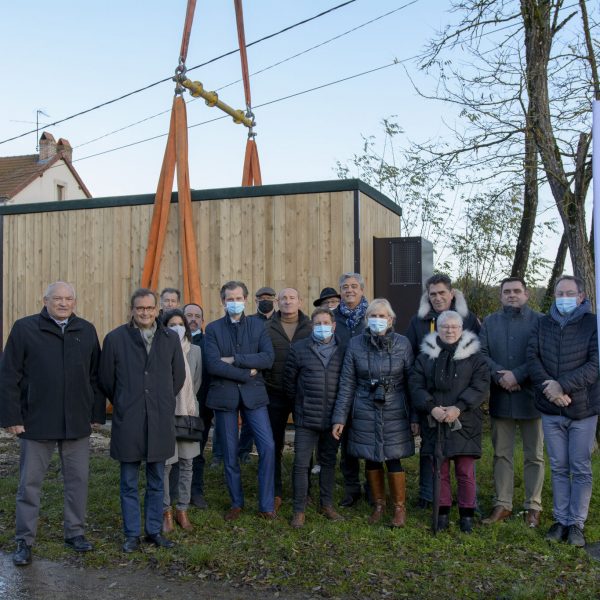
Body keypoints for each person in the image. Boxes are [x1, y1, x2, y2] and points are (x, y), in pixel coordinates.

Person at [0, 281, 105, 566]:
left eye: (68, 298)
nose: (63, 303)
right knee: (29, 484)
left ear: (74, 301)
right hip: (36, 421)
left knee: (78, 481)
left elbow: (95, 376)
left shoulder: (86, 330)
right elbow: (9, 375)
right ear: (44, 300)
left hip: (76, 423)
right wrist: (12, 418)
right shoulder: (25, 329)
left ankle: (75, 533)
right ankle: (24, 540)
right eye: (57, 298)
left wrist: (96, 413)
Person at [99, 288, 185, 553]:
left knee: (157, 479)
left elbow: (177, 377)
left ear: (157, 310)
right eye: (140, 308)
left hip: (159, 419)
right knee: (128, 481)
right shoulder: (115, 339)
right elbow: (106, 379)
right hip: (130, 419)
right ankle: (132, 533)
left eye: (150, 308)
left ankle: (153, 531)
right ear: (132, 310)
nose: (145, 313)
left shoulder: (169, 338)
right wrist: (125, 400)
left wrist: (160, 400)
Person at [528, 275, 600, 547]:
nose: (564, 298)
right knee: (558, 466)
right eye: (560, 293)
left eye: (570, 293)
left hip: (583, 408)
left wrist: (563, 386)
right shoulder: (542, 324)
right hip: (550, 408)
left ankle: (576, 524)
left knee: (580, 467)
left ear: (581, 296)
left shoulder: (593, 324)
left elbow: (595, 365)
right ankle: (560, 520)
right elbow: (532, 358)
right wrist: (551, 390)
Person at [332, 299, 414, 527]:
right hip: (365, 406)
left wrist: (415, 417)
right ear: (367, 320)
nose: (378, 320)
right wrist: (340, 418)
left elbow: (411, 383)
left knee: (393, 457)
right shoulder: (356, 344)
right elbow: (347, 383)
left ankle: (399, 507)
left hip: (395, 407)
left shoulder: (403, 344)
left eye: (382, 316)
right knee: (370, 456)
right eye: (373, 316)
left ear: (391, 319)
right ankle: (379, 504)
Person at [409, 310, 489, 533]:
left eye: (454, 327)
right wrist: (431, 407)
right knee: (440, 470)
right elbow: (416, 384)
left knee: (465, 471)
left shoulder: (475, 356)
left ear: (462, 329)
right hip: (435, 421)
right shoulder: (426, 355)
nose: (450, 330)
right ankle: (442, 511)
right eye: (445, 327)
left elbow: (480, 385)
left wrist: (459, 407)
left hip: (465, 421)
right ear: (438, 329)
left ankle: (467, 515)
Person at [405, 273, 480, 510]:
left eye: (442, 293)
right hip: (430, 400)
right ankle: (430, 496)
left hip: (462, 402)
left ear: (452, 294)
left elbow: (479, 361)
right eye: (433, 294)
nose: (437, 298)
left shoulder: (468, 320)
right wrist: (419, 409)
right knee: (431, 452)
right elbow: (411, 364)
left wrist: (463, 404)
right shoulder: (418, 322)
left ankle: (469, 503)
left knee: (463, 456)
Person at [204, 281, 276, 520]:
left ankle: (266, 504)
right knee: (229, 451)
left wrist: (235, 359)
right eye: (229, 299)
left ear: (246, 300)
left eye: (238, 298)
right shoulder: (213, 329)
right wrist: (246, 371)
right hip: (225, 397)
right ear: (222, 301)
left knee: (267, 446)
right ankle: (236, 502)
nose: (234, 302)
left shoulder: (257, 326)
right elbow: (213, 364)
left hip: (254, 397)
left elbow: (267, 358)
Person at [479, 277, 544, 528]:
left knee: (534, 455)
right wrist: (500, 376)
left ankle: (533, 506)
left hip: (531, 398)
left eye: (517, 291)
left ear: (526, 294)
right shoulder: (490, 322)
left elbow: (541, 353)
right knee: (501, 454)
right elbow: (482, 354)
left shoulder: (539, 321)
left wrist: (517, 375)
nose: (512, 295)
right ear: (500, 295)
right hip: (501, 396)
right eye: (507, 291)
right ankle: (503, 503)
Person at [284, 308, 345, 528]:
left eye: (325, 322)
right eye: (317, 323)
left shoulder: (342, 350)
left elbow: (346, 385)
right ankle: (299, 509)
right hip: (305, 418)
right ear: (312, 326)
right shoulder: (300, 348)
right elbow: (289, 383)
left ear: (334, 325)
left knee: (328, 462)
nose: (322, 326)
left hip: (332, 420)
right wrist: (299, 407)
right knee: (301, 464)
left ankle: (326, 504)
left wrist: (340, 416)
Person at [264, 287, 312, 509]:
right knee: (274, 444)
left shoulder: (311, 327)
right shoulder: (267, 327)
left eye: (292, 297)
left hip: (303, 394)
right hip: (275, 393)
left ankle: (305, 490)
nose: (287, 301)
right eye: (283, 298)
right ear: (277, 303)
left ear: (300, 302)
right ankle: (276, 490)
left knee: (304, 445)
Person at [161, 309, 202, 532]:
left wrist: (186, 405)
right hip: (165, 414)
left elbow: (196, 382)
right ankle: (166, 511)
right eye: (171, 324)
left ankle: (182, 509)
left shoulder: (195, 351)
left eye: (180, 324)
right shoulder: (159, 350)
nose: (176, 327)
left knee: (187, 463)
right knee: (167, 465)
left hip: (187, 414)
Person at [333, 273, 370, 507]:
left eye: (354, 286)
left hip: (368, 386)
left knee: (368, 438)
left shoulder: (372, 315)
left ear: (362, 290)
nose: (349, 290)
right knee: (346, 442)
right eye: (345, 287)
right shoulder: (333, 317)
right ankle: (351, 487)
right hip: (342, 385)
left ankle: (373, 486)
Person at [183, 303, 211, 509]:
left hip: (201, 405)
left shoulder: (208, 342)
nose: (193, 319)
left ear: (202, 320)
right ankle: (177, 490)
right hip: (175, 406)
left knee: (197, 450)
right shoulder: (172, 340)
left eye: (197, 316)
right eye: (189, 315)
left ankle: (196, 491)